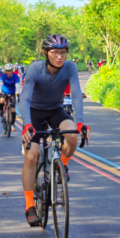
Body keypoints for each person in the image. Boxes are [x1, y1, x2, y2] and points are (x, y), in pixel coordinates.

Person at [20, 34, 91, 227]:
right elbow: (24, 99)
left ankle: (63, 165)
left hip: (55, 111)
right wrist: (26, 124)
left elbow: (76, 94)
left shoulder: (70, 67)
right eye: (55, 53)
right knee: (31, 157)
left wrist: (80, 123)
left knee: (72, 136)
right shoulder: (35, 69)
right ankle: (29, 206)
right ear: (45, 53)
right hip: (34, 113)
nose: (59, 57)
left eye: (63, 52)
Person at [0, 64, 21, 132]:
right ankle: (1, 110)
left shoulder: (15, 77)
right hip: (4, 92)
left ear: (12, 70)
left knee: (13, 109)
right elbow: (0, 84)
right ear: (5, 71)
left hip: (12, 93)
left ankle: (12, 124)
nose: (8, 72)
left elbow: (17, 85)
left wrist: (18, 93)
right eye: (7, 70)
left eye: (10, 70)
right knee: (1, 101)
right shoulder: (3, 76)